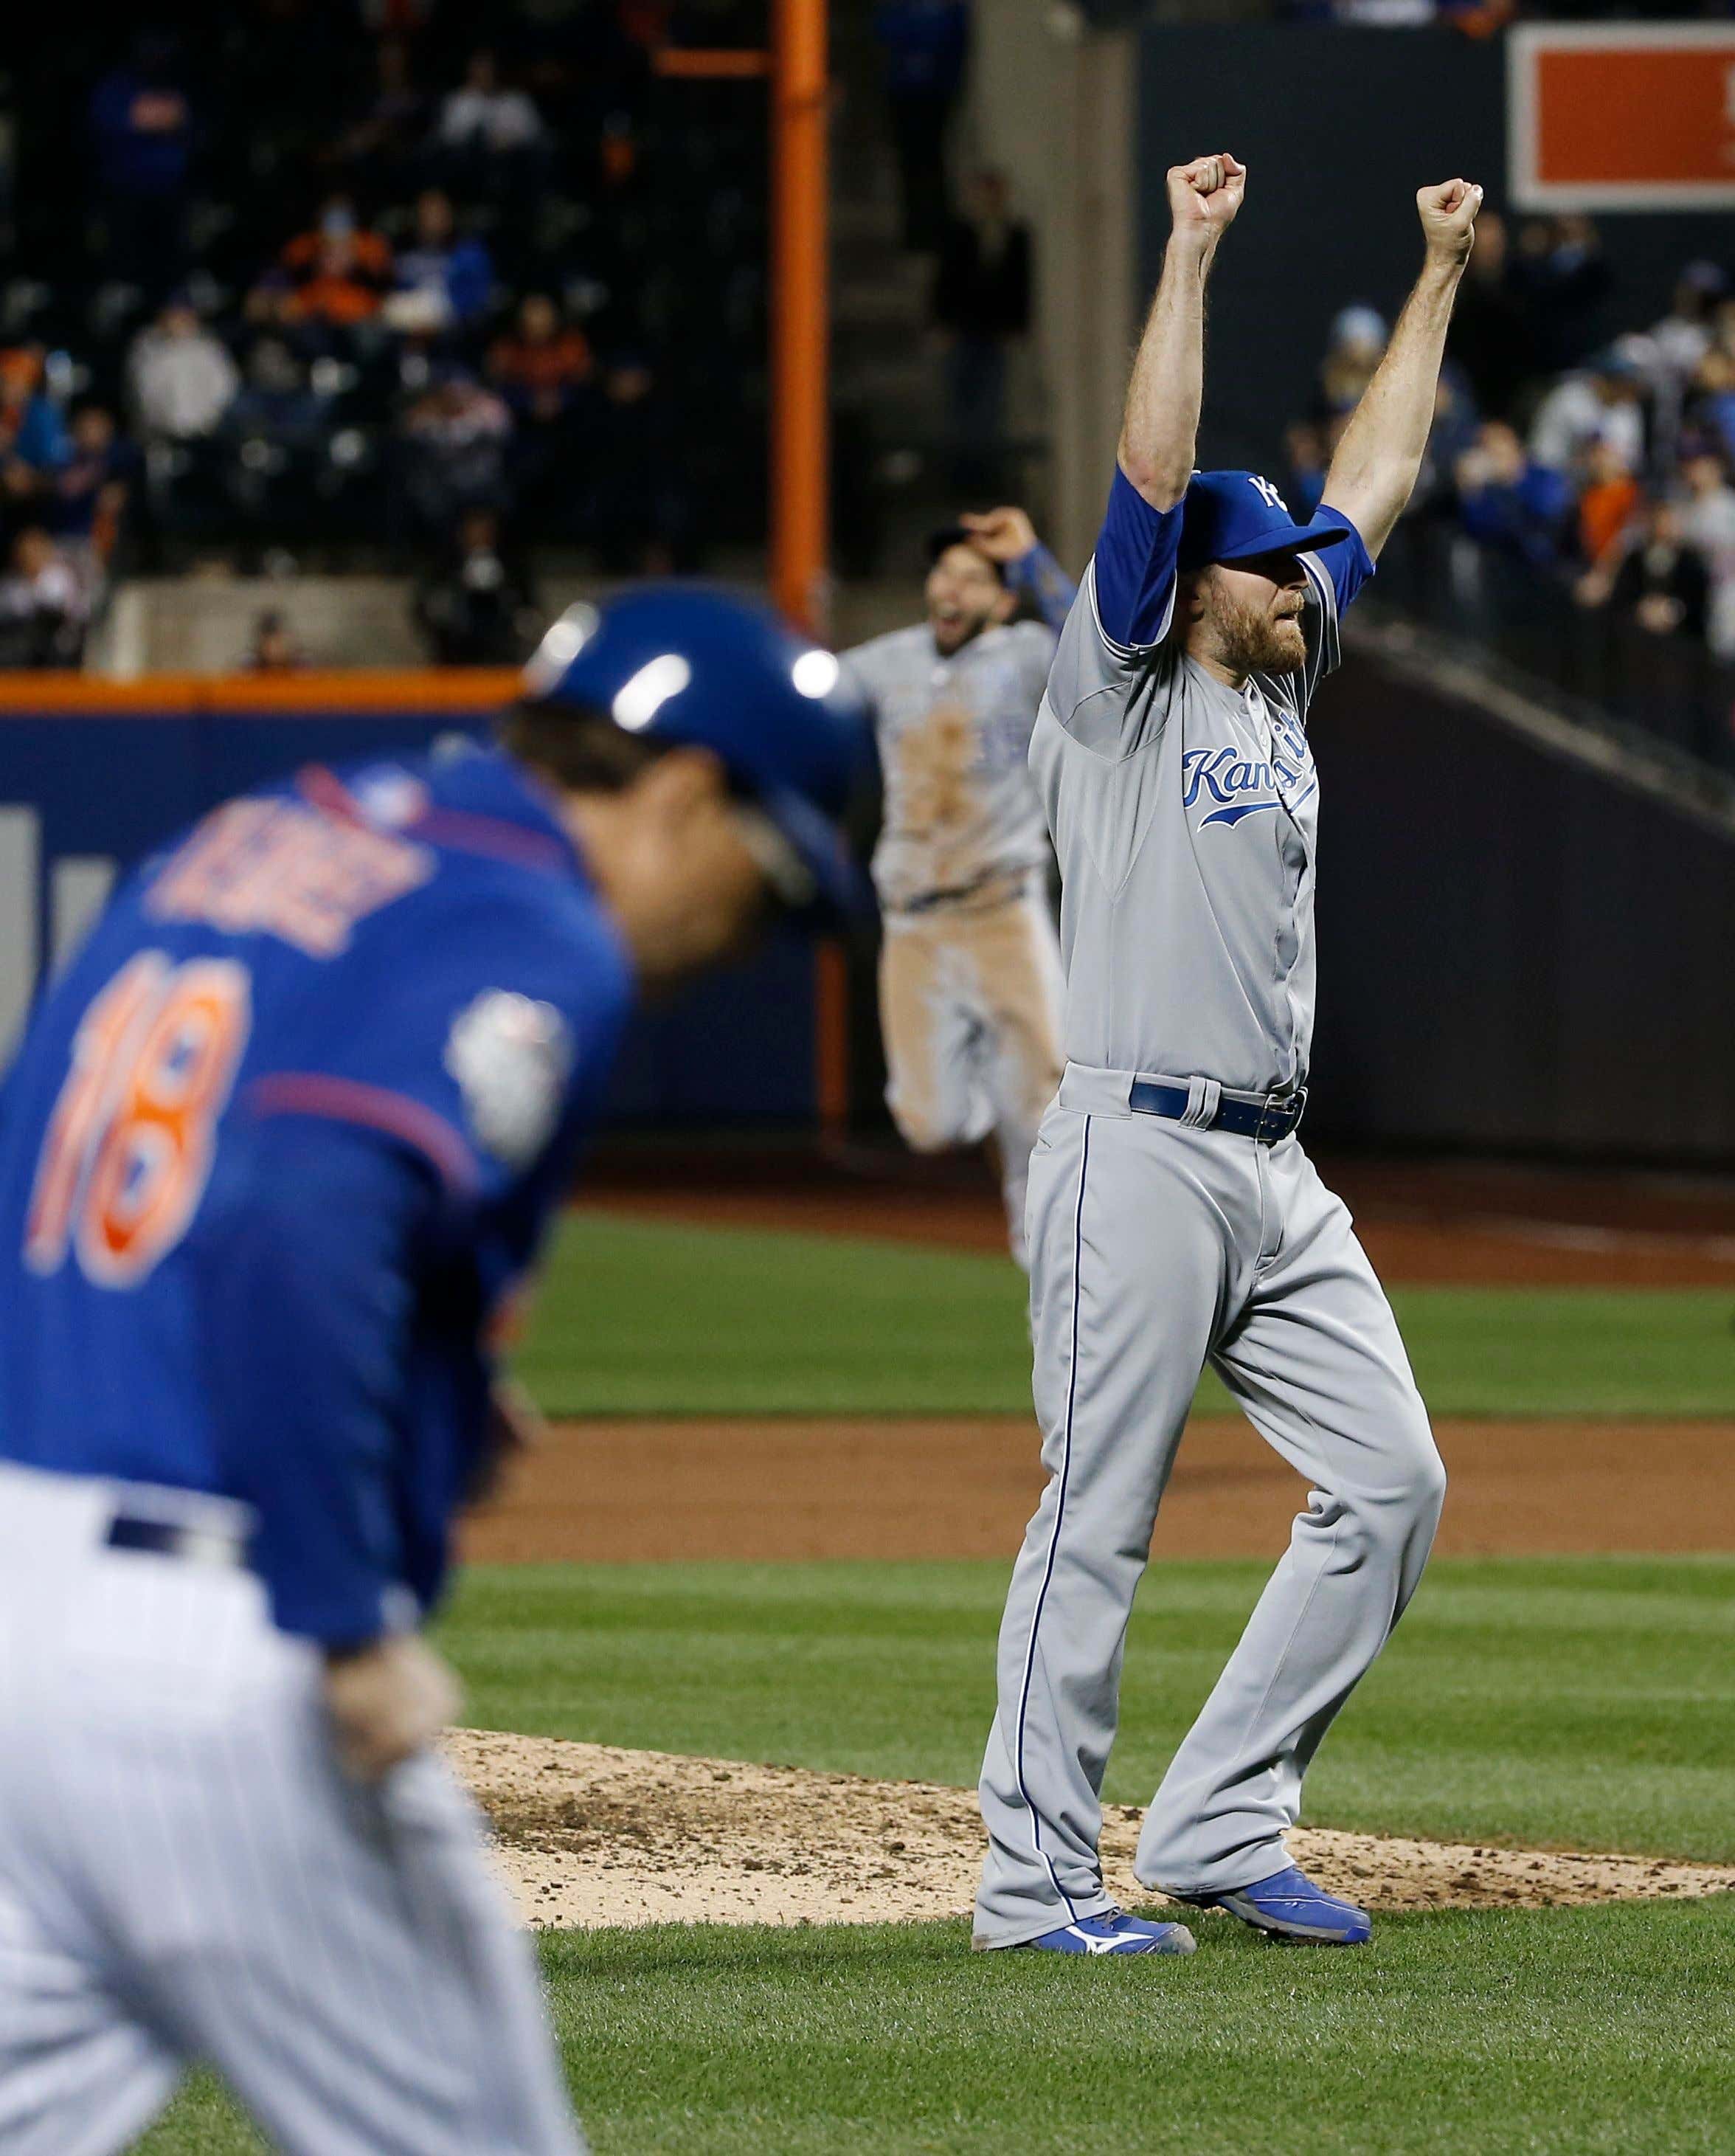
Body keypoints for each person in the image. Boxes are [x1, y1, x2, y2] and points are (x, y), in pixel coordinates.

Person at [0, 586, 867, 2152]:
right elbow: (304, 1216)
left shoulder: (267, 835)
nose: (747, 941)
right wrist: (346, 1623)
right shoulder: (528, 920)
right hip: (212, 1642)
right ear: (681, 795)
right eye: (765, 886)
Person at [974, 153, 1474, 1958]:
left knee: (1395, 1479)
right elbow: (1154, 480)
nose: (1295, 580)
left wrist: (1437, 271)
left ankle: (1216, 1818)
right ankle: (1032, 1889)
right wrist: (1187, 250)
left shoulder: (1277, 668)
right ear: (1191, 589)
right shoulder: (1115, 682)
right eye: (1261, 567)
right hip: (1133, 1147)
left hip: (1272, 1166)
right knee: (1098, 1516)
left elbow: (1381, 476)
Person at [839, 506, 1074, 1266]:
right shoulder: (886, 663)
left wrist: (1033, 557)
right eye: (945, 572)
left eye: (975, 579)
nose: (953, 587)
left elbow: (1101, 645)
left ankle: (1051, 1264)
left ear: (1002, 602)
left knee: (1044, 1109)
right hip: (915, 923)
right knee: (929, 1125)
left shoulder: (1028, 650)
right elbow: (808, 699)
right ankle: (990, 1077)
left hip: (1004, 908)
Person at [932, 170, 1032, 494]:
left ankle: (985, 478)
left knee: (990, 408)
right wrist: (942, 323)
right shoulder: (960, 233)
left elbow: (1021, 285)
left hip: (995, 332)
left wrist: (1018, 327)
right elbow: (945, 280)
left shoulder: (1015, 234)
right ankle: (959, 477)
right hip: (964, 329)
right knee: (960, 406)